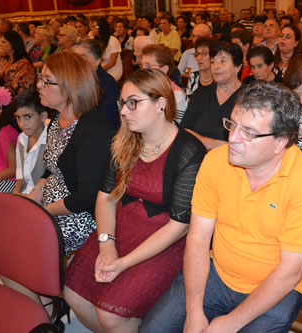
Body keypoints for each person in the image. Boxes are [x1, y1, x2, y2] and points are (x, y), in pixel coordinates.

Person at [141, 80, 302, 333]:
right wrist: (194, 312)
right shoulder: (216, 162)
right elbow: (197, 239)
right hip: (218, 273)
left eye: (249, 133)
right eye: (232, 124)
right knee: (153, 329)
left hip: (277, 285)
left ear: (280, 142)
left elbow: (290, 272)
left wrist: (229, 323)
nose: (232, 138)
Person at [64, 68, 206, 333]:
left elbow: (180, 225)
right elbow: (105, 198)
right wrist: (107, 245)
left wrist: (122, 263)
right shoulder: (125, 141)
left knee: (110, 315)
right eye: (122, 103)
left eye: (133, 103)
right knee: (73, 294)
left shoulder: (188, 151)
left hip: (164, 240)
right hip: (121, 227)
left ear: (160, 103)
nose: (123, 111)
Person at [27, 52, 114, 256]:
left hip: (81, 216)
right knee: (6, 233)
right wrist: (33, 197)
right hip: (52, 206)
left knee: (24, 247)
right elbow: (52, 170)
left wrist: (43, 213)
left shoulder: (94, 130)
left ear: (70, 88)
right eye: (41, 78)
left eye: (47, 81)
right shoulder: (57, 121)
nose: (39, 85)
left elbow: (87, 197)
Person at [181, 42, 243, 150]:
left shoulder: (248, 98)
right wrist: (217, 144)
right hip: (195, 155)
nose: (216, 67)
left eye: (223, 61)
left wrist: (200, 141)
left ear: (238, 67)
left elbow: (244, 141)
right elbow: (184, 130)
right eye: (213, 62)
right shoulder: (200, 94)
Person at [73, 39, 120, 129]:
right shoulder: (73, 78)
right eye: (75, 57)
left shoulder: (108, 84)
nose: (77, 61)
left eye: (82, 57)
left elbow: (105, 118)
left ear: (97, 60)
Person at [12, 90, 49, 194]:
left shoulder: (51, 140)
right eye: (18, 118)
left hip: (41, 197)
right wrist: (16, 192)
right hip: (25, 194)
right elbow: (20, 173)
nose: (22, 124)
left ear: (43, 116)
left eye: (28, 117)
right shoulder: (21, 138)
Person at [140, 45, 189, 124]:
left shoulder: (176, 95)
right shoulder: (142, 88)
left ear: (164, 70)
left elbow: (177, 128)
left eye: (148, 65)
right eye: (142, 65)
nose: (142, 69)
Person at [0, 30, 35, 97]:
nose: (0, 44)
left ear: (13, 45)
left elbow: (19, 89)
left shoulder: (24, 64)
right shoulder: (3, 59)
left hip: (14, 100)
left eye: (3, 42)